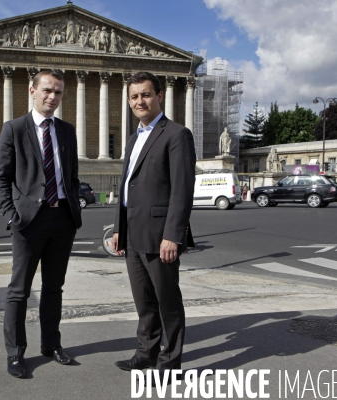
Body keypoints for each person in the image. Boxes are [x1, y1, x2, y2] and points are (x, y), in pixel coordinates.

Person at [0, 70, 82, 379]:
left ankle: (51, 344)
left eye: (58, 92)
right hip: (29, 221)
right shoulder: (14, 129)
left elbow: (71, 176)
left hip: (62, 219)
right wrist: (11, 215)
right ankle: (16, 353)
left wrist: (74, 205)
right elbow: (1, 179)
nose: (52, 96)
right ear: (32, 90)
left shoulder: (67, 131)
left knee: (54, 288)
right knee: (19, 290)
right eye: (47, 90)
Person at [112, 72, 196, 381]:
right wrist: (120, 227)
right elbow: (128, 189)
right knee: (144, 301)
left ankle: (170, 363)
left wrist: (173, 235)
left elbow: (182, 190)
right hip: (133, 234)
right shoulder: (134, 138)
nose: (139, 101)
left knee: (167, 302)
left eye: (145, 94)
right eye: (134, 96)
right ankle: (146, 353)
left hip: (161, 235)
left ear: (158, 96)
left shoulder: (176, 134)